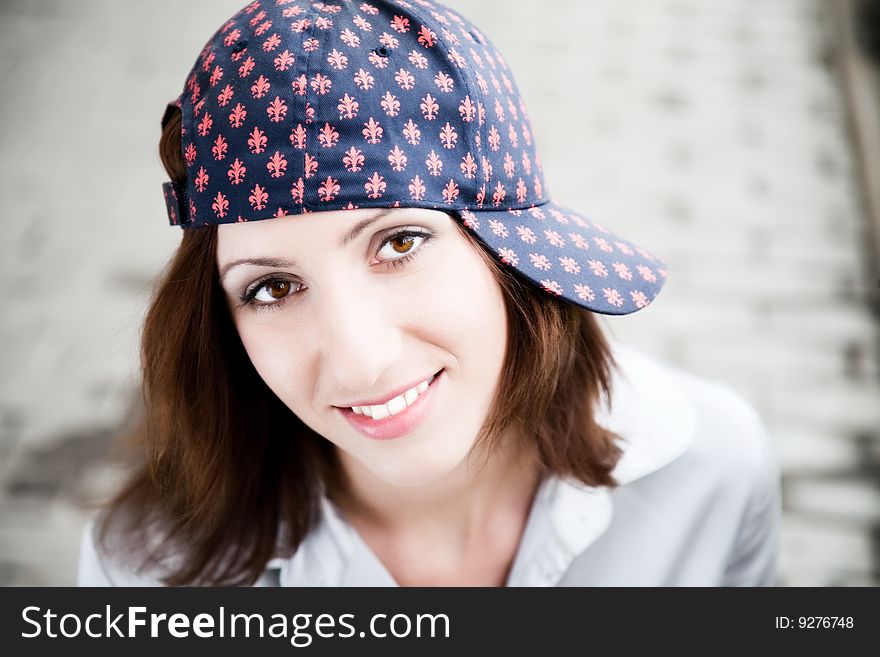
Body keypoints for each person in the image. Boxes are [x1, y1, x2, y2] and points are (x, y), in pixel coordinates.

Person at [78, 0, 781, 587]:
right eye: (274, 286)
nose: (359, 362)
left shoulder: (711, 473)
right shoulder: (148, 571)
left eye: (400, 243)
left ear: (510, 252)